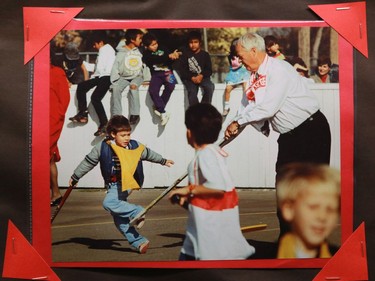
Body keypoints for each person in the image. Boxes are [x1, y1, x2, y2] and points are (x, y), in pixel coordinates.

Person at [224, 32, 331, 237]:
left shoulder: (279, 70)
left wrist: (239, 122)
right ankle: (287, 246)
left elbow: (267, 108)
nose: (238, 60)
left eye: (240, 55)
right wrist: (224, 137)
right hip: (289, 139)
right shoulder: (254, 77)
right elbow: (244, 112)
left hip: (312, 133)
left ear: (253, 51)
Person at [69, 115, 174, 254]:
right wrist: (76, 176)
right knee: (119, 219)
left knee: (108, 203)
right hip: (113, 185)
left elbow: (148, 153)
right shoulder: (103, 147)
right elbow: (88, 162)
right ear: (113, 134)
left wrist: (163, 160)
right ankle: (139, 241)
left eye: (128, 134)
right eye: (123, 135)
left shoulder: (133, 146)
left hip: (128, 182)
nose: (127, 138)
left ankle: (137, 211)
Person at [168, 103, 255, 261]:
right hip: (198, 231)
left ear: (190, 133)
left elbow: (217, 187)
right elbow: (211, 192)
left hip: (209, 234)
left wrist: (188, 190)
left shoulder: (205, 155)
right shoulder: (214, 152)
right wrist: (187, 201)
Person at [276, 162, 340, 258]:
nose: (322, 216)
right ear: (289, 210)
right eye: (313, 207)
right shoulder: (267, 257)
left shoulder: (339, 258)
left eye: (330, 210)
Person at [69, 32, 116, 136]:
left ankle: (104, 124)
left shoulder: (107, 50)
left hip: (107, 77)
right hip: (100, 76)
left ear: (101, 43)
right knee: (81, 86)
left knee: (95, 98)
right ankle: (82, 113)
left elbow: (103, 68)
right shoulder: (103, 50)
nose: (94, 47)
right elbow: (97, 67)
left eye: (95, 45)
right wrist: (82, 64)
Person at [141, 32, 181, 126]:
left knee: (171, 86)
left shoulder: (163, 48)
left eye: (156, 43)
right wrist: (168, 56)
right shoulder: (146, 55)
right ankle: (163, 112)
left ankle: (159, 107)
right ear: (146, 46)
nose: (155, 46)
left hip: (168, 73)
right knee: (153, 90)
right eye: (152, 45)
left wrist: (174, 55)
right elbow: (155, 60)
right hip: (156, 74)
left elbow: (170, 59)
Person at [110, 29, 144, 125]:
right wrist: (114, 81)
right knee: (116, 88)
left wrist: (147, 79)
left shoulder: (140, 51)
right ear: (132, 40)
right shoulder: (121, 52)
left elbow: (145, 65)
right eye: (139, 38)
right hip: (124, 77)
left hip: (137, 76)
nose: (141, 40)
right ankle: (117, 116)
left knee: (133, 86)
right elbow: (115, 67)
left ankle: (135, 114)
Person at [50, 53, 71, 206]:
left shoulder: (57, 72)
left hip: (51, 120)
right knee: (48, 157)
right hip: (40, 119)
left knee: (45, 155)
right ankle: (55, 193)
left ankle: (54, 192)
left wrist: (57, 116)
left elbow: (65, 98)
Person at [179, 30, 215, 106]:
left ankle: (204, 107)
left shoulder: (205, 55)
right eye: (191, 42)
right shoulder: (185, 54)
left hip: (203, 77)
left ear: (200, 43)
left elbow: (209, 70)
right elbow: (183, 71)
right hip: (189, 79)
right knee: (192, 92)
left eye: (195, 42)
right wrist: (192, 77)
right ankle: (196, 111)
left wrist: (201, 75)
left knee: (209, 87)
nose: (193, 45)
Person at [222, 38, 250, 117]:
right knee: (227, 89)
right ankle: (226, 107)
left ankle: (246, 105)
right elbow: (235, 65)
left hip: (243, 74)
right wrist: (241, 61)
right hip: (234, 75)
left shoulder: (244, 54)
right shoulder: (231, 57)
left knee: (246, 87)